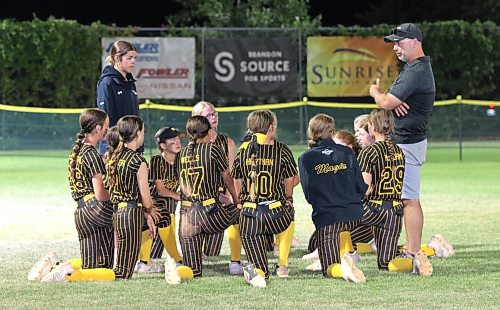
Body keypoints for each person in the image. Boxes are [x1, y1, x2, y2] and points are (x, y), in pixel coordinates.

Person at [369, 23, 435, 261]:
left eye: (400, 42)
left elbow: (386, 102)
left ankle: (414, 251)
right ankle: (396, 245)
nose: (395, 47)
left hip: (408, 144)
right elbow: (392, 101)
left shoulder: (416, 70)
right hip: (404, 142)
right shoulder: (413, 68)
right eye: (394, 43)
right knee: (399, 196)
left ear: (415, 42)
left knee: (409, 198)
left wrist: (376, 92)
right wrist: (390, 99)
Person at [356, 109, 431, 275]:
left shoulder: (369, 152)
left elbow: (365, 189)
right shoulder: (399, 151)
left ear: (372, 127)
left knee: (338, 224)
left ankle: (341, 258)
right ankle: (414, 264)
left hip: (374, 209)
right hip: (394, 213)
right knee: (386, 262)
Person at [231, 110, 298, 287]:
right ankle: (282, 264)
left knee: (261, 270)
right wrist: (288, 197)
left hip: (249, 216)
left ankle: (256, 271)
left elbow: (235, 178)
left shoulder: (243, 150)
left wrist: (240, 201)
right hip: (275, 214)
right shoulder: (281, 149)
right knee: (289, 214)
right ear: (270, 127)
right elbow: (290, 178)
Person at [298, 113, 367, 284]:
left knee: (329, 268)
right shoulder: (346, 152)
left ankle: (344, 268)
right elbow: (361, 186)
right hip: (354, 215)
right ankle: (348, 255)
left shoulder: (305, 158)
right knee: (343, 225)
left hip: (328, 217)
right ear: (332, 131)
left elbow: (309, 194)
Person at [176, 115, 240, 278]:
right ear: (208, 132)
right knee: (244, 212)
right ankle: (242, 262)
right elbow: (227, 178)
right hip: (211, 215)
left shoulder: (181, 154)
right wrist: (236, 200)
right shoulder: (213, 149)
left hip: (187, 218)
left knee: (193, 271)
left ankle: (178, 270)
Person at [105, 115, 160, 279]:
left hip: (118, 213)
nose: (144, 134)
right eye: (143, 131)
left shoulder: (115, 156)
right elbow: (146, 198)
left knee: (121, 266)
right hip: (131, 215)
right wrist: (149, 212)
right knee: (123, 272)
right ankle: (71, 274)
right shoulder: (138, 160)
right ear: (137, 134)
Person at [191, 101, 243, 275]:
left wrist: (229, 198)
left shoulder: (226, 141)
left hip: (220, 198)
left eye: (215, 113)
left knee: (238, 213)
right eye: (209, 115)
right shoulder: (192, 145)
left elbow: (231, 174)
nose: (214, 117)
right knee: (202, 254)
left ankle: (235, 261)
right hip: (199, 201)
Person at [134, 126, 185, 274]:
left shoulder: (181, 158)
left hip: (169, 201)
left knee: (168, 213)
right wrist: (183, 197)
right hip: (152, 200)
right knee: (162, 216)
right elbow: (161, 190)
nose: (177, 142)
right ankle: (172, 259)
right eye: (172, 139)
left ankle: (149, 261)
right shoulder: (157, 159)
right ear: (163, 145)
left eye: (178, 139)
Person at [96, 40, 139, 155]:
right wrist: (112, 148)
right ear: (117, 58)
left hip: (132, 148)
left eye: (135, 58)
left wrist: (138, 146)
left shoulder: (130, 83)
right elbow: (106, 119)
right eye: (129, 58)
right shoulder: (107, 83)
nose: (133, 61)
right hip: (113, 149)